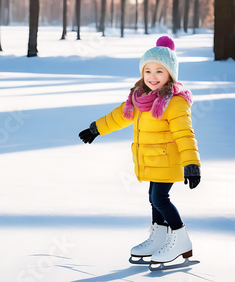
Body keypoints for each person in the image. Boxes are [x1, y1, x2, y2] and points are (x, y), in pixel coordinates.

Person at [78, 36, 201, 266]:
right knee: (153, 199)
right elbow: (118, 116)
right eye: (148, 71)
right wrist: (97, 128)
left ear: (170, 75)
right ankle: (160, 237)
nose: (152, 77)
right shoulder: (140, 98)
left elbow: (185, 134)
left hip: (169, 160)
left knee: (160, 198)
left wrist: (191, 163)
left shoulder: (175, 102)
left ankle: (181, 238)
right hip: (152, 161)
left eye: (159, 71)